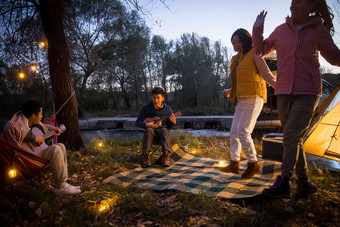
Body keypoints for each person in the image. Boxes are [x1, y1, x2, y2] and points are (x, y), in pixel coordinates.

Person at [253, 0, 340, 200]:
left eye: (298, 2)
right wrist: (258, 28)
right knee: (295, 140)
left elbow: (335, 57)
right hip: (283, 91)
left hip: (308, 92)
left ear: (310, 6)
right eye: (292, 2)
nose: (293, 5)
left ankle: (284, 181)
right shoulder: (281, 30)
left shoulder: (318, 30)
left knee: (290, 137)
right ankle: (305, 183)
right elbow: (260, 50)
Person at [220, 28, 276, 178]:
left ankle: (253, 163)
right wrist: (231, 90)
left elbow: (266, 74)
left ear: (245, 40)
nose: (235, 44)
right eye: (233, 42)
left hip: (254, 98)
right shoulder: (236, 58)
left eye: (238, 41)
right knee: (234, 132)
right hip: (242, 99)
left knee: (244, 132)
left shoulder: (255, 54)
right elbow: (242, 80)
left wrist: (281, 87)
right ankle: (234, 162)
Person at [2, 99, 81, 195]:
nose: (42, 116)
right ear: (33, 116)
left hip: (33, 156)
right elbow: (16, 129)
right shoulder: (16, 123)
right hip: (24, 161)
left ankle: (63, 182)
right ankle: (60, 187)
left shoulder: (28, 124)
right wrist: (34, 138)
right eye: (41, 114)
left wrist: (52, 134)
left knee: (61, 146)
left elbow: (41, 141)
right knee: (55, 149)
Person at [136, 87, 177, 168]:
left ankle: (165, 156)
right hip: (150, 136)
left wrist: (173, 122)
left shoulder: (168, 109)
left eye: (158, 98)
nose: (156, 100)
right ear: (152, 97)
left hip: (163, 137)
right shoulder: (146, 108)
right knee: (149, 130)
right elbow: (137, 122)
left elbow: (170, 126)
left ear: (163, 98)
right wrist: (145, 125)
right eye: (154, 97)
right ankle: (146, 157)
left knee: (164, 130)